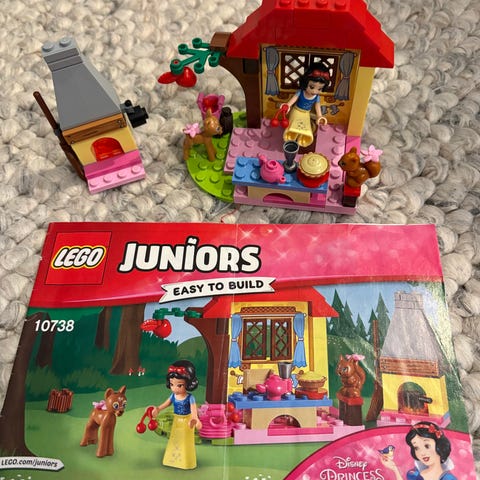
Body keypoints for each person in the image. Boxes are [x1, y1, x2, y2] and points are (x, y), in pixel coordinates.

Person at [149, 360, 202, 469]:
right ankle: (173, 460)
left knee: (185, 441)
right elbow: (166, 404)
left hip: (187, 422)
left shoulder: (190, 398)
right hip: (177, 420)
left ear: (188, 384)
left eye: (179, 385)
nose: (175, 388)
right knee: (175, 439)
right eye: (172, 384)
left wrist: (195, 419)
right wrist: (158, 409)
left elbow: (194, 411)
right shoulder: (173, 396)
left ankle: (185, 462)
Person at [380, 422, 456, 480]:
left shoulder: (448, 478)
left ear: (439, 445)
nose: (422, 453)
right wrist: (395, 469)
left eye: (427, 446)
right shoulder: (415, 474)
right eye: (416, 448)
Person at [282, 62, 330, 148]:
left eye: (319, 89)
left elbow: (317, 106)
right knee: (294, 124)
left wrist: (319, 116)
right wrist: (288, 105)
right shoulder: (301, 92)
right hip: (296, 111)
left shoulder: (316, 97)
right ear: (305, 83)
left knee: (306, 126)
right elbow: (293, 100)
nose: (314, 91)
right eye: (311, 87)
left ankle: (302, 139)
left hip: (306, 113)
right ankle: (291, 137)